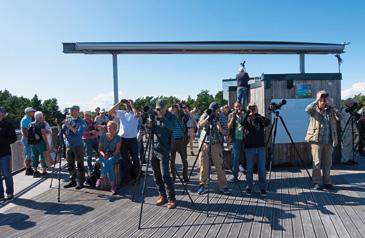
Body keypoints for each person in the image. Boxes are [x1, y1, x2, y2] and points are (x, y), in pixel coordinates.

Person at [305, 90, 341, 190]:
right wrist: (317, 100)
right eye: (321, 99)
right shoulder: (314, 110)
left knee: (328, 163)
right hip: (316, 140)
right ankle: (316, 182)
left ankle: (327, 182)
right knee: (317, 163)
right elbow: (306, 109)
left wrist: (333, 106)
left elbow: (340, 117)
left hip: (329, 141)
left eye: (325, 99)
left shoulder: (331, 110)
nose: (323, 101)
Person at [146, 99, 177, 209]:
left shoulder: (171, 116)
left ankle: (172, 198)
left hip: (164, 148)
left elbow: (172, 127)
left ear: (165, 108)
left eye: (161, 108)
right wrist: (149, 124)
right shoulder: (155, 116)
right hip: (154, 148)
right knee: (156, 175)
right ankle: (162, 195)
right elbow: (151, 130)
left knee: (165, 175)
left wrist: (161, 117)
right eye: (157, 108)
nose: (158, 110)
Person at [196, 102, 230, 195]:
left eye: (215, 110)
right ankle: (202, 185)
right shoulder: (205, 114)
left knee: (219, 165)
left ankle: (223, 186)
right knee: (204, 166)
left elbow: (225, 132)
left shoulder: (221, 116)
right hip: (204, 143)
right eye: (212, 110)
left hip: (216, 143)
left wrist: (218, 124)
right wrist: (208, 119)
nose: (213, 112)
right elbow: (199, 126)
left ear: (218, 110)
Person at [242, 103, 270, 196]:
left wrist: (257, 113)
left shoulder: (259, 118)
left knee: (262, 169)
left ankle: (263, 188)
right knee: (249, 169)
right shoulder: (246, 118)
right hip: (249, 148)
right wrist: (247, 113)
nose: (252, 109)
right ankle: (249, 187)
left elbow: (268, 122)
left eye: (253, 107)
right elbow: (242, 123)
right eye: (250, 107)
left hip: (260, 147)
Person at [109, 99, 140, 184]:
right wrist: (119, 103)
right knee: (125, 159)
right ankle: (127, 177)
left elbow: (137, 115)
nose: (127, 104)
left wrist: (132, 105)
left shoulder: (135, 112)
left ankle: (137, 176)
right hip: (123, 139)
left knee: (135, 158)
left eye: (129, 103)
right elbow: (110, 112)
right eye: (126, 103)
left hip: (133, 139)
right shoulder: (122, 113)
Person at [63, 105, 87, 190]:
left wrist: (68, 125)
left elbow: (79, 133)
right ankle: (72, 180)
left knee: (80, 164)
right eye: (71, 110)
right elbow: (63, 131)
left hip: (78, 145)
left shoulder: (81, 122)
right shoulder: (68, 120)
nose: (71, 111)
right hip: (69, 145)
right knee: (70, 164)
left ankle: (80, 181)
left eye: (73, 110)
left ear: (78, 111)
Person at [96, 121, 121, 195]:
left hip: (114, 156)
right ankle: (113, 186)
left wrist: (109, 156)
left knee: (109, 161)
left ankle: (101, 178)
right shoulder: (103, 136)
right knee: (109, 165)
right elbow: (99, 149)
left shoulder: (118, 138)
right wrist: (103, 155)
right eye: (108, 127)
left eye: (111, 127)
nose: (109, 128)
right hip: (103, 156)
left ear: (115, 128)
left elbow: (117, 151)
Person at [0, 107, 17, 201]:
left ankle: (10, 193)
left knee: (6, 174)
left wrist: (3, 141)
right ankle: (0, 195)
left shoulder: (7, 125)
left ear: (3, 114)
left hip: (4, 153)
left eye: (1, 112)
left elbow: (14, 138)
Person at [227, 102, 246, 182]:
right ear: (234, 107)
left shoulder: (244, 114)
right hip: (236, 139)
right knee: (236, 158)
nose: (238, 108)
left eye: (239, 106)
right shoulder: (231, 115)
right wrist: (233, 117)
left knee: (247, 156)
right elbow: (229, 126)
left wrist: (242, 116)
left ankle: (248, 175)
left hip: (245, 138)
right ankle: (235, 176)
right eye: (236, 107)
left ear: (241, 107)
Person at [170, 104, 189, 182]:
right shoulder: (170, 117)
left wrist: (180, 110)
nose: (174, 109)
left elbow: (187, 118)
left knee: (184, 159)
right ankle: (173, 176)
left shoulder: (182, 116)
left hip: (181, 140)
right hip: (173, 140)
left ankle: (185, 176)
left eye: (175, 108)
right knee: (172, 160)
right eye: (173, 108)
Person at [29, 111, 50, 177]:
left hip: (33, 143)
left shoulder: (31, 124)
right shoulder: (42, 124)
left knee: (34, 156)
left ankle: (35, 171)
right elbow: (43, 134)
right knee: (43, 156)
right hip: (40, 142)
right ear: (40, 117)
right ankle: (44, 171)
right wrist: (47, 143)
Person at [340, 98, 360, 165]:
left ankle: (349, 158)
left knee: (351, 146)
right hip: (346, 130)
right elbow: (347, 120)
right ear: (349, 103)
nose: (353, 105)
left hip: (349, 130)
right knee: (347, 145)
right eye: (352, 103)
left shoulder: (350, 111)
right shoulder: (345, 110)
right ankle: (344, 160)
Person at [20, 107, 36, 175]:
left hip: (29, 139)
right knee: (28, 155)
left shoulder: (29, 119)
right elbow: (24, 131)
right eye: (32, 111)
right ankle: (28, 169)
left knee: (30, 154)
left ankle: (29, 168)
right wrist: (28, 139)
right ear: (28, 112)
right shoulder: (25, 119)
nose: (34, 113)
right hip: (27, 139)